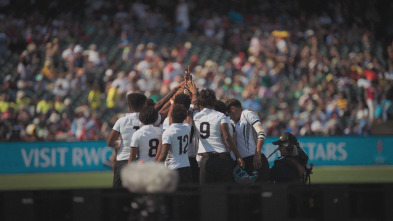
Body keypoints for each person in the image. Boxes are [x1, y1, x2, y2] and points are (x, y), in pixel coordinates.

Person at [193, 88, 245, 184]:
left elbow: (193, 105)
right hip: (222, 158)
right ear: (214, 101)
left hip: (205, 159)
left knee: (206, 194)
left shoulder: (195, 116)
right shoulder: (220, 116)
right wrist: (238, 156)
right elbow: (227, 138)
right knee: (223, 194)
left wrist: (193, 93)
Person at [106, 92, 147, 188]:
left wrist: (119, 143)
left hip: (123, 161)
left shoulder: (121, 121)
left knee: (118, 196)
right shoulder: (148, 119)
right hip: (141, 161)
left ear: (129, 106)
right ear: (144, 104)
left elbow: (110, 142)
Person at [225, 98, 270, 182]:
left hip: (256, 159)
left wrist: (257, 153)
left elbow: (261, 133)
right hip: (244, 162)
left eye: (229, 114)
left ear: (232, 109)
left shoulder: (247, 114)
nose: (229, 117)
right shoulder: (232, 122)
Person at [156, 104, 192, 184]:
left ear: (171, 118)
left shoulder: (168, 132)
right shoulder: (186, 128)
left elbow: (163, 154)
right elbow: (188, 119)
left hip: (173, 169)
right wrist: (189, 110)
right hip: (186, 167)